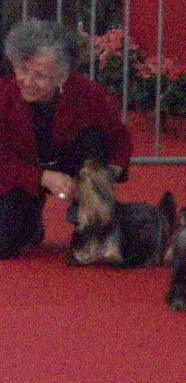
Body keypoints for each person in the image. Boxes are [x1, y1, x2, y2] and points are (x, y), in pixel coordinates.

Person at [0, 18, 133, 259]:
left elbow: (118, 137)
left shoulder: (88, 94)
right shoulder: (3, 96)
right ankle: (30, 223)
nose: (27, 82)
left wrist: (104, 176)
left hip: (74, 162)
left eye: (40, 75)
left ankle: (93, 223)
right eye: (22, 70)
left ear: (62, 76)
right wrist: (41, 177)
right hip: (19, 173)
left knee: (93, 138)